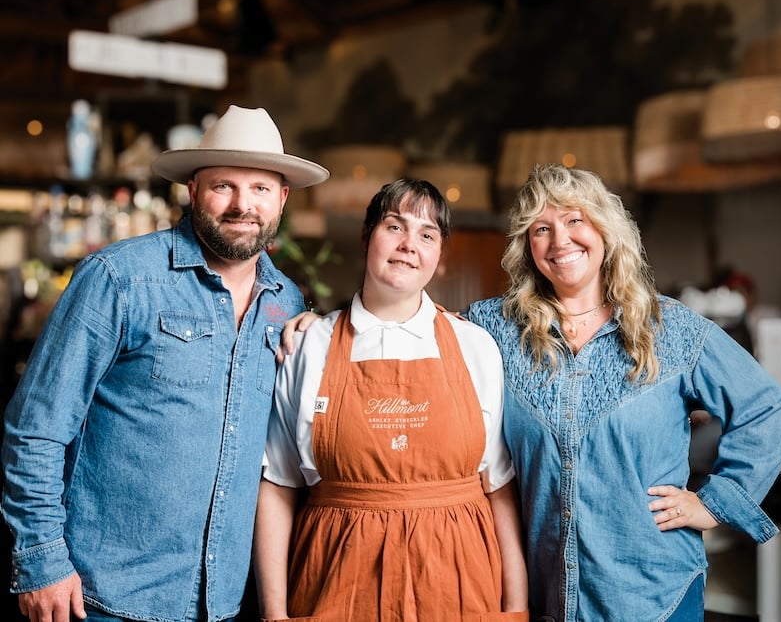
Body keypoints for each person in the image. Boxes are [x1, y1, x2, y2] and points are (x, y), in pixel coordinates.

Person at [1, 104, 329, 622]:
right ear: (193, 190)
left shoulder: (287, 302)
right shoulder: (119, 278)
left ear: (282, 199)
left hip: (220, 603)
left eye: (261, 189)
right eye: (224, 186)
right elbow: (35, 429)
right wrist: (42, 562)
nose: (243, 205)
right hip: (100, 598)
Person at [464, 163, 781, 621]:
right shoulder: (494, 327)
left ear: (604, 229)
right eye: (542, 228)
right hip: (544, 595)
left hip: (654, 595)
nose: (560, 240)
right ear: (527, 247)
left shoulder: (669, 327)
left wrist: (713, 504)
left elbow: (766, 408)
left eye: (575, 220)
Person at [253, 178, 528, 621]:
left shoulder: (476, 346)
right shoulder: (309, 345)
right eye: (394, 227)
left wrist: (515, 610)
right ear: (367, 238)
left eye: (427, 234)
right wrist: (275, 615)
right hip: (336, 586)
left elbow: (499, 489)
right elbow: (279, 487)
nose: (408, 245)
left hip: (459, 586)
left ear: (440, 257)